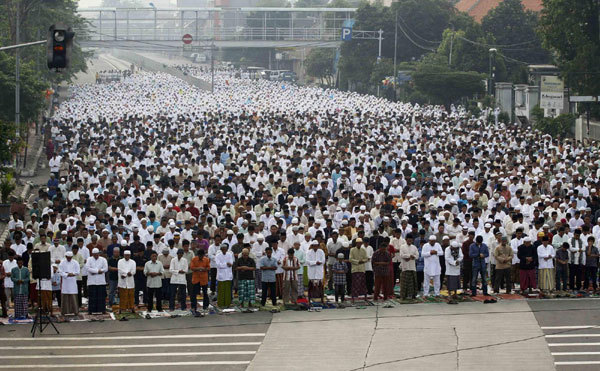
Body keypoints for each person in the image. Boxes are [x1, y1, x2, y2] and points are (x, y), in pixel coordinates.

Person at [85, 247, 108, 314]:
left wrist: (97, 271)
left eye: (97, 254)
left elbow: (106, 268)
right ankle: (91, 310)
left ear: (99, 253)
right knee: (92, 297)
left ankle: (102, 310)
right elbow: (87, 268)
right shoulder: (89, 259)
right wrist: (98, 271)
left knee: (101, 297)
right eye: (94, 254)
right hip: (92, 282)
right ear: (92, 254)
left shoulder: (103, 259)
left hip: (101, 281)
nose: (96, 256)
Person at [59, 250, 80, 315]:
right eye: (68, 257)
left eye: (70, 257)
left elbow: (78, 271)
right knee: (65, 295)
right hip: (65, 282)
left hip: (72, 281)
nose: (69, 258)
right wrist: (67, 274)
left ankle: (75, 311)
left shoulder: (75, 262)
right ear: (66, 256)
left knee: (73, 295)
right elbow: (60, 271)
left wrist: (72, 274)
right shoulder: (62, 262)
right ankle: (64, 311)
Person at [399, 234, 419, 300]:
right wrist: (409, 256)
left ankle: (412, 295)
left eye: (411, 240)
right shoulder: (402, 247)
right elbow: (401, 255)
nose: (410, 241)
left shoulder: (414, 247)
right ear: (406, 239)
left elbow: (417, 255)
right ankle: (403, 296)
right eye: (408, 240)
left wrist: (413, 257)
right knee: (404, 283)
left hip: (412, 267)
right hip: (405, 267)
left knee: (413, 283)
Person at [190, 248, 211, 313]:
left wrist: (204, 269)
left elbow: (208, 267)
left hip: (204, 279)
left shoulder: (206, 259)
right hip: (196, 279)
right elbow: (191, 268)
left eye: (202, 256)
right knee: (194, 294)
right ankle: (193, 306)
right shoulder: (194, 259)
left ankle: (205, 306)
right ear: (198, 255)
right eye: (200, 256)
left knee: (205, 293)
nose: (201, 257)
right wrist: (198, 268)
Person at [117, 250, 136, 314]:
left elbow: (134, 270)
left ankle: (131, 308)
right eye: (126, 255)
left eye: (128, 255)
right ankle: (122, 308)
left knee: (131, 295)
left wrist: (130, 273)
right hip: (122, 281)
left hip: (130, 281)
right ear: (124, 255)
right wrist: (126, 274)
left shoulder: (133, 262)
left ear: (130, 255)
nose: (127, 256)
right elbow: (120, 269)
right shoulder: (120, 261)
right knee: (122, 296)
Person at [215, 244, 234, 308]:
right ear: (221, 249)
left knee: (228, 291)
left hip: (228, 275)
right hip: (221, 276)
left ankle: (227, 304)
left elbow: (231, 263)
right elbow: (218, 265)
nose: (224, 250)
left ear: (227, 249)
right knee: (221, 291)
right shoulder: (218, 255)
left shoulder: (230, 255)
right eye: (222, 249)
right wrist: (226, 264)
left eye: (225, 249)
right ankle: (220, 304)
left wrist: (226, 265)